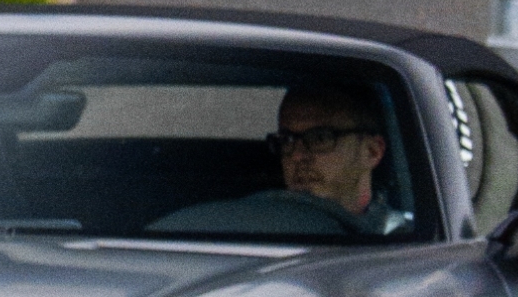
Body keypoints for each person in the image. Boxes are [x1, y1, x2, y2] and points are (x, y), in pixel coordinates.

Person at [148, 83, 402, 238]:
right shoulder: (247, 223)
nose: (298, 155)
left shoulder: (399, 235)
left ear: (372, 152)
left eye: (321, 137)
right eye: (288, 140)